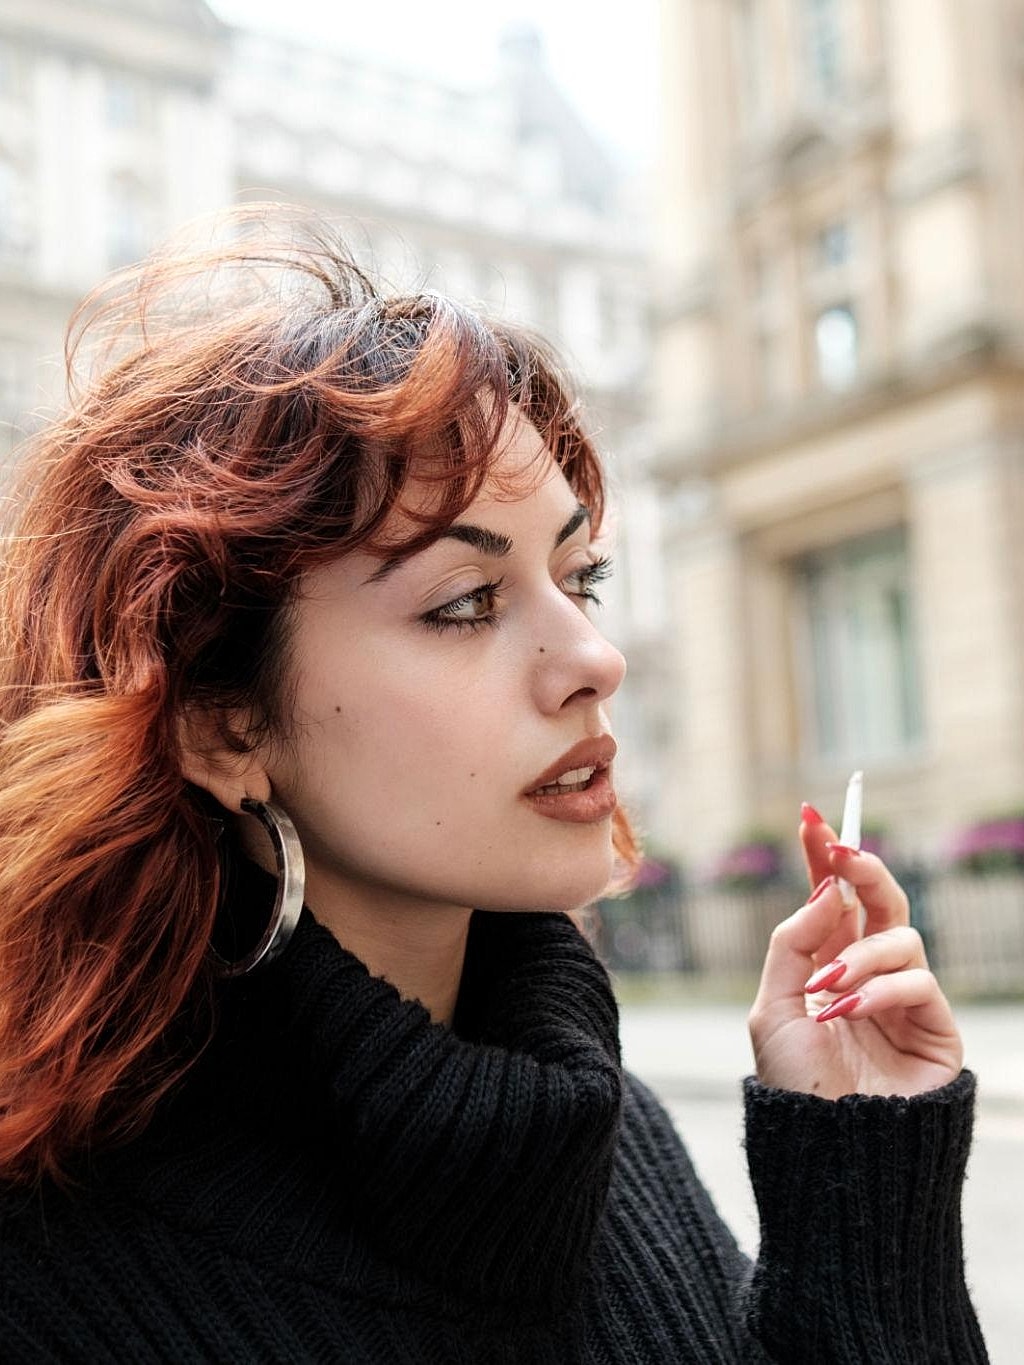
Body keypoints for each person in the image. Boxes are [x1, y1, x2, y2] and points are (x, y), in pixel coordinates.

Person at [0, 207, 987, 1363]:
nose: (594, 660)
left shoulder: (593, 1126)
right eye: (465, 603)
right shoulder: (55, 1265)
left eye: (581, 577)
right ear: (221, 726)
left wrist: (858, 1178)